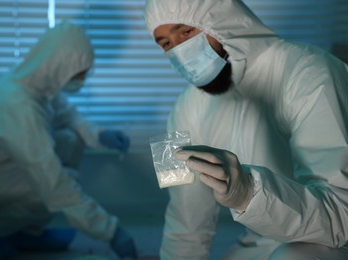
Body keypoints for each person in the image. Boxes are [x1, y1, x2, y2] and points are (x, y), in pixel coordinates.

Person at [144, 0, 348, 259]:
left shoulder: (312, 72)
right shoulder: (182, 110)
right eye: (166, 44)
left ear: (221, 20)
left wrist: (249, 193)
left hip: (329, 241)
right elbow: (184, 216)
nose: (180, 51)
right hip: (254, 243)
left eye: (186, 32)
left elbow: (342, 216)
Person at [0, 21, 137, 259]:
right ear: (60, 66)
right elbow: (53, 183)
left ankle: (23, 230)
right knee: (55, 185)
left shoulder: (36, 82)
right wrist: (112, 232)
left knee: (71, 140)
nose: (82, 81)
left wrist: (98, 134)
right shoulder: (17, 105)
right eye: (79, 74)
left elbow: (67, 115)